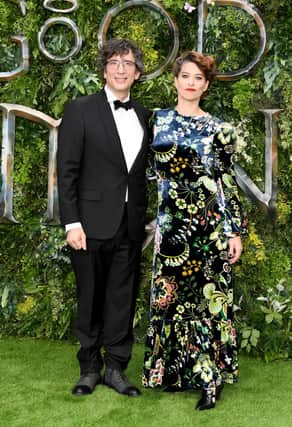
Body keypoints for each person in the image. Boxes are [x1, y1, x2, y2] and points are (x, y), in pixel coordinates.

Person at [142, 51, 247, 410]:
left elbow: (226, 182)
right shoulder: (154, 121)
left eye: (198, 78)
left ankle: (209, 380)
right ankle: (173, 372)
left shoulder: (220, 129)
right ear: (174, 80)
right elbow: (145, 172)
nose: (190, 82)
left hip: (208, 228)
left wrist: (234, 231)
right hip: (171, 226)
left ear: (206, 86)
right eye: (185, 75)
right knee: (171, 299)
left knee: (205, 303)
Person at [57, 38, 152, 397]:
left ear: (137, 72)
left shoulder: (144, 115)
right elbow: (66, 171)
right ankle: (88, 369)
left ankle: (115, 368)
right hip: (89, 224)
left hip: (129, 224)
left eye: (128, 63)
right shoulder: (80, 109)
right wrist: (72, 222)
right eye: (114, 62)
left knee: (121, 298)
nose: (121, 69)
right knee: (90, 297)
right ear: (104, 69)